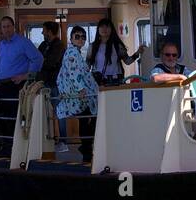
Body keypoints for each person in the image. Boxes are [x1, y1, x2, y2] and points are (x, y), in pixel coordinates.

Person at [0, 16, 43, 154]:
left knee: (13, 118)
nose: (6, 29)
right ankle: (2, 147)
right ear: (1, 29)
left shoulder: (23, 42)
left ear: (13, 27)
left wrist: (24, 76)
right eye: (3, 27)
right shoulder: (1, 45)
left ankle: (15, 149)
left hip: (17, 85)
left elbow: (38, 59)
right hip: (2, 87)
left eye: (8, 26)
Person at [57, 25, 101, 162]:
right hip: (79, 95)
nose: (80, 39)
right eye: (77, 36)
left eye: (83, 37)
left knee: (87, 119)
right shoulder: (72, 53)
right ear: (71, 38)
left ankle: (86, 147)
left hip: (79, 95)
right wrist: (81, 89)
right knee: (89, 118)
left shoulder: (75, 53)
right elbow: (74, 72)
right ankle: (87, 149)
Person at [88, 17, 141, 85]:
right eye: (102, 26)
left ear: (111, 29)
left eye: (107, 27)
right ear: (98, 29)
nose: (104, 29)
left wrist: (137, 53)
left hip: (116, 80)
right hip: (98, 81)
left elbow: (127, 61)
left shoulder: (117, 46)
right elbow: (87, 65)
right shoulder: (92, 47)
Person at [37, 21, 64, 101]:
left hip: (53, 84)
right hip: (42, 83)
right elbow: (36, 59)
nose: (42, 32)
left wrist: (42, 61)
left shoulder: (59, 45)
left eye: (44, 30)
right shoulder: (43, 45)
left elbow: (51, 63)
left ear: (50, 32)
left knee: (54, 109)